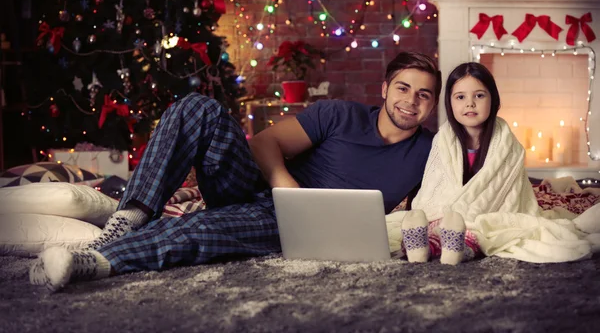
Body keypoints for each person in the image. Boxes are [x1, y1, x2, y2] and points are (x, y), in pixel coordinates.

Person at [30, 51, 442, 292]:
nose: (411, 101)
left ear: (433, 104)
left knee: (201, 231)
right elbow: (263, 143)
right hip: (260, 186)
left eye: (424, 94)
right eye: (403, 88)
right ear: (385, 88)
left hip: (285, 226)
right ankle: (129, 216)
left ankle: (93, 261)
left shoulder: (432, 151)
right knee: (198, 107)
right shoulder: (339, 115)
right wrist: (285, 183)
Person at [388, 62, 598, 266]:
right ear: (450, 103)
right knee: (433, 220)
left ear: (493, 100)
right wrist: (443, 213)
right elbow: (435, 187)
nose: (470, 103)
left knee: (490, 228)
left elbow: (506, 193)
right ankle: (425, 243)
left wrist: (466, 216)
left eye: (479, 95)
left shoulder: (507, 143)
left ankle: (456, 244)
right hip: (448, 212)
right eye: (460, 97)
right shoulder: (443, 139)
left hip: (487, 212)